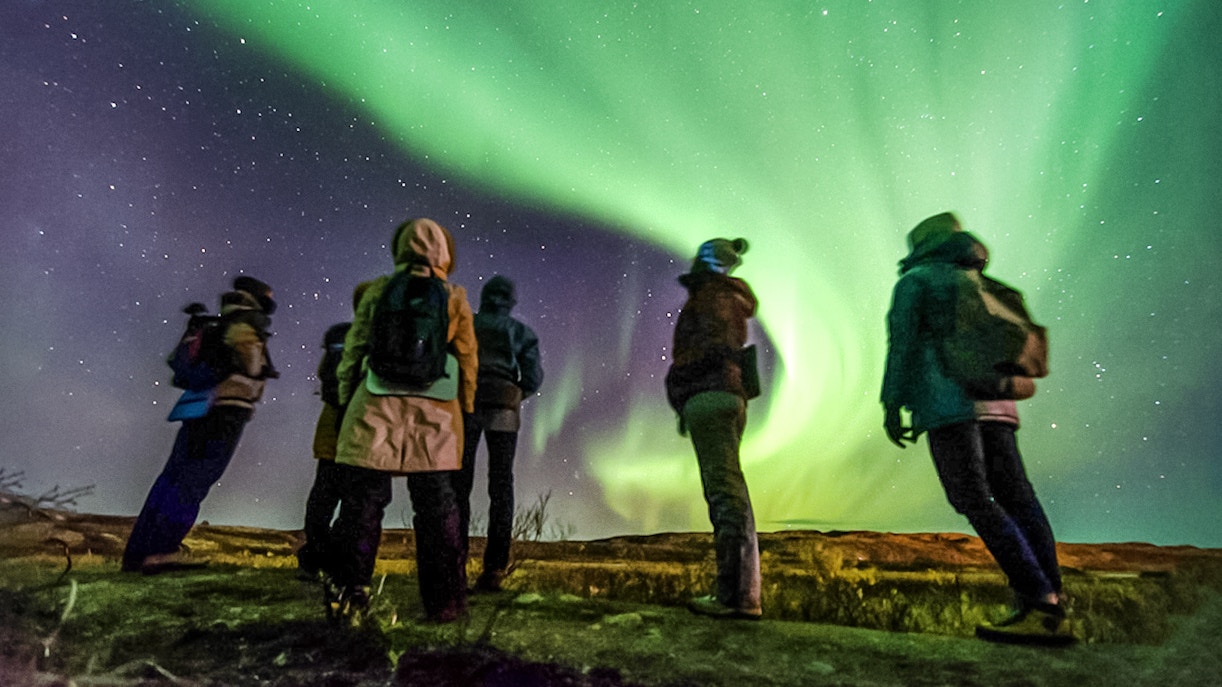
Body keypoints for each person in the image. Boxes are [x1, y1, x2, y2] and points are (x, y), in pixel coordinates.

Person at [880, 212, 1072, 644]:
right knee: (1018, 496)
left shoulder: (918, 281)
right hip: (998, 401)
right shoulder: (985, 284)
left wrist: (892, 403)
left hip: (949, 403)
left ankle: (1037, 599)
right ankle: (1051, 600)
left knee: (972, 496)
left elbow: (903, 343)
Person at [324, 217, 478, 624]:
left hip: (376, 402)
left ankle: (348, 596)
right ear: (444, 252)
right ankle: (445, 603)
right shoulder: (454, 296)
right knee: (437, 505)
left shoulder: (379, 290)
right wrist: (466, 407)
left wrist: (345, 398)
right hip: (436, 413)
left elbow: (354, 348)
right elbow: (467, 358)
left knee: (362, 502)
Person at [123, 276, 278, 574]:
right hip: (226, 413)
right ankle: (162, 552)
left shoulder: (214, 323)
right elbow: (251, 366)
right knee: (195, 481)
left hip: (197, 408)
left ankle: (138, 554)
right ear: (259, 298)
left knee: (172, 478)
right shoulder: (246, 323)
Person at [664, 238, 762, 620]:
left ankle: (734, 596)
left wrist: (679, 384)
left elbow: (703, 350)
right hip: (729, 396)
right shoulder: (731, 299)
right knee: (731, 490)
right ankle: (743, 593)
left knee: (724, 493)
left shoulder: (709, 298)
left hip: (709, 394)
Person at [452, 275, 544, 592]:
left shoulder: (468, 324)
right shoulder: (522, 332)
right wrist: (516, 393)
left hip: (466, 403)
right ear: (511, 301)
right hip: (504, 406)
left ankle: (454, 563)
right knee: (501, 486)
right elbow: (532, 377)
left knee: (458, 484)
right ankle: (493, 570)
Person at [295, 282, 372, 580]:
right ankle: (332, 559)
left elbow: (323, 374)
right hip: (362, 428)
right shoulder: (379, 338)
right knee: (357, 501)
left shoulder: (339, 334)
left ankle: (313, 559)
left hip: (331, 424)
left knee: (323, 497)